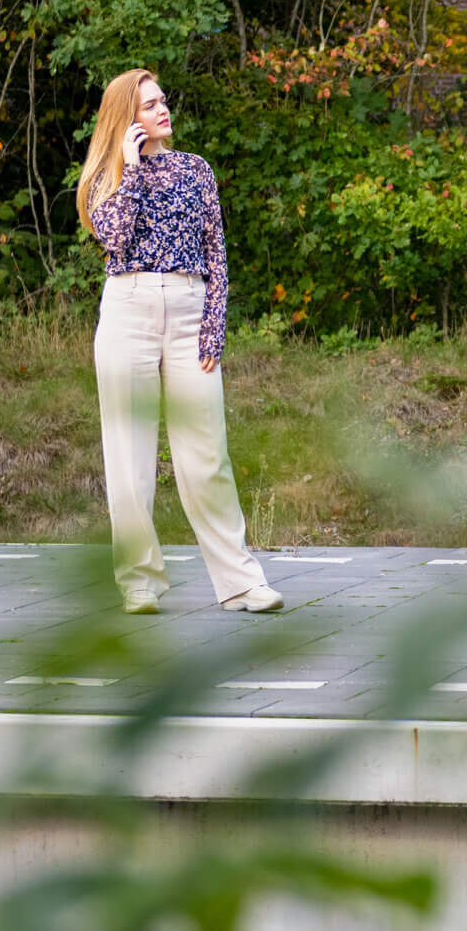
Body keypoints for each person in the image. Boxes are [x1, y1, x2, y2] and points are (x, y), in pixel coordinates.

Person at [75, 68, 284, 616]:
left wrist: (215, 322)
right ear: (127, 120)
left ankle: (240, 582)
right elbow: (115, 238)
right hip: (128, 312)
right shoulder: (108, 175)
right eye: (149, 105)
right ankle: (139, 582)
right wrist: (134, 167)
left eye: (163, 100)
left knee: (206, 454)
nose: (163, 110)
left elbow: (216, 253)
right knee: (130, 457)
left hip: (190, 312)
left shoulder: (196, 171)